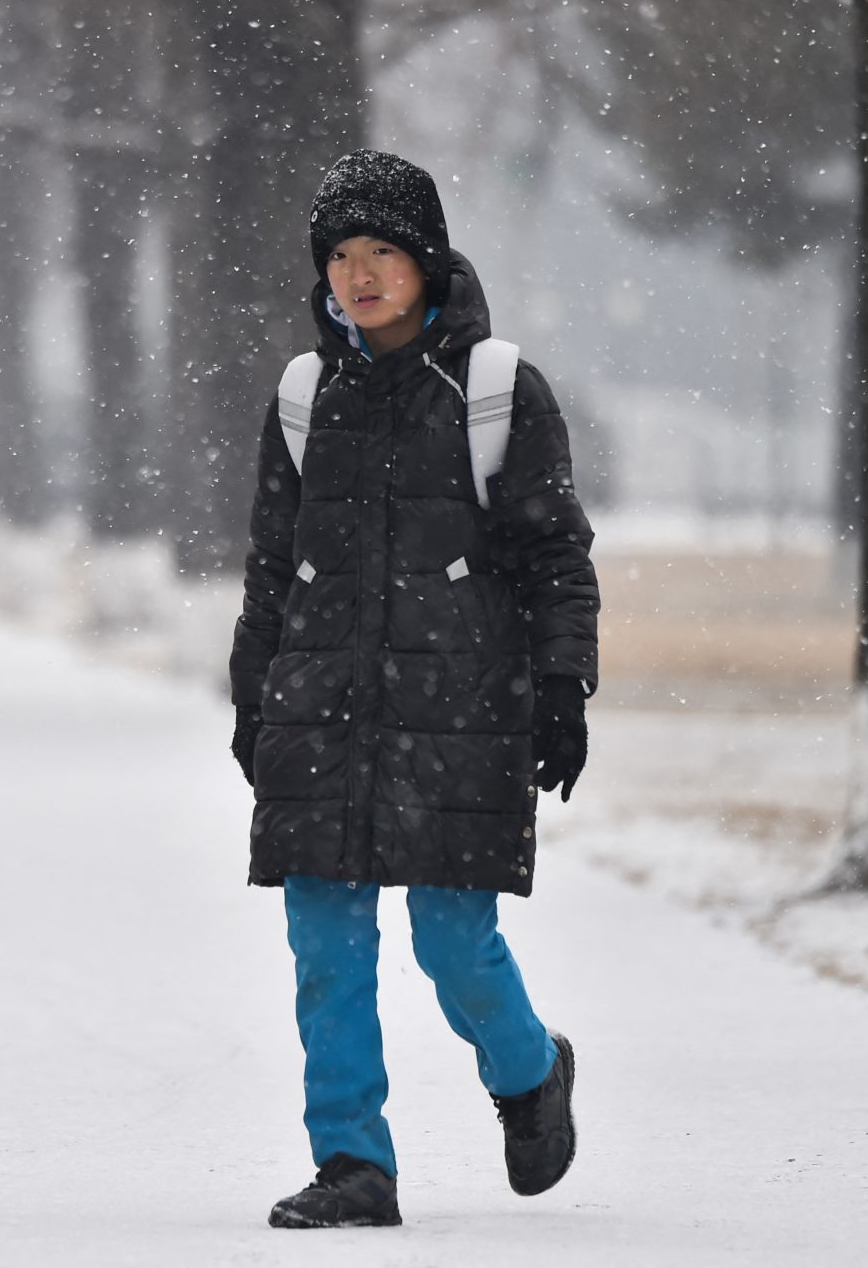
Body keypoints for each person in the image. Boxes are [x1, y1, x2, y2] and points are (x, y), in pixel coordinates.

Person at [228, 149, 599, 1229]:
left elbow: (554, 555)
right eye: (341, 254)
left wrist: (563, 685)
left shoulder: (494, 391)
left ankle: (530, 1074)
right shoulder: (305, 397)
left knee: (453, 943)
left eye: (381, 250)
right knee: (325, 952)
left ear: (426, 260)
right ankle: (354, 1161)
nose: (359, 273)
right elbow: (269, 568)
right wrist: (255, 698)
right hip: (321, 714)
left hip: (460, 716)